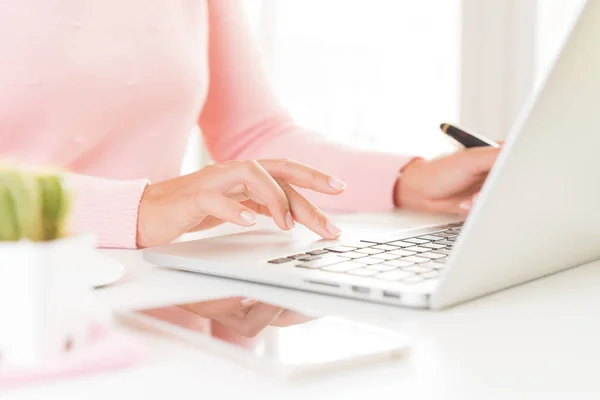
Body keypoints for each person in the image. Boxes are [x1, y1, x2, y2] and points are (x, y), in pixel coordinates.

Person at [1, 1, 500, 335]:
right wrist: (139, 209)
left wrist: (407, 181)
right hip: (26, 330)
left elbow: (252, 135)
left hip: (174, 325)